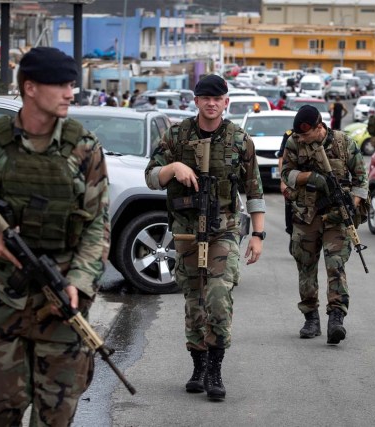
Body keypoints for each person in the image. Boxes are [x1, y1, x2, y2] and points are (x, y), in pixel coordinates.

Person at [0, 46, 110, 426]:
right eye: (62, 85)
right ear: (30, 88)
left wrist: (79, 285)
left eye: (73, 84)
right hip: (5, 306)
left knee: (56, 417)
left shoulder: (84, 149)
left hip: (62, 309)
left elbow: (98, 225)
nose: (72, 93)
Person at [145, 74, 265, 401]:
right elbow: (151, 176)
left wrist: (258, 234)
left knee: (217, 295)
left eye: (218, 98)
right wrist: (173, 169)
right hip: (185, 230)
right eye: (205, 98)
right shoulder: (177, 136)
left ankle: (215, 368)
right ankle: (197, 365)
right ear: (196, 101)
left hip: (223, 230)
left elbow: (254, 190)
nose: (211, 103)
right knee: (194, 300)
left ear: (226, 102)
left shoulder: (240, 140)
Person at [280, 105, 368, 345]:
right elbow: (286, 173)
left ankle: (336, 318)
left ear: (319, 127)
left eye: (305, 135)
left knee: (335, 265)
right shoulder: (293, 143)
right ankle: (311, 318)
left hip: (336, 218)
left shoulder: (343, 143)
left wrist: (352, 202)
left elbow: (361, 178)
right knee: (306, 268)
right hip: (305, 216)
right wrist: (310, 177)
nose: (301, 139)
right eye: (298, 135)